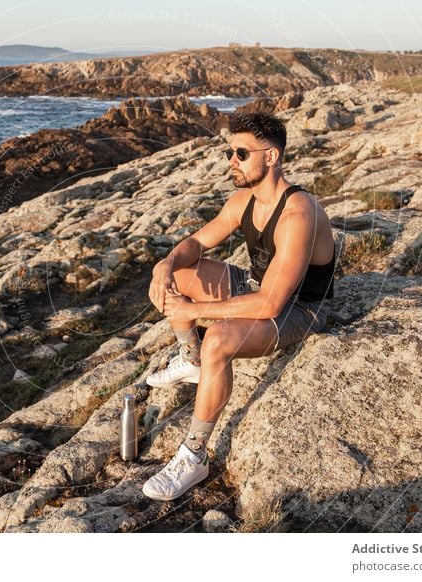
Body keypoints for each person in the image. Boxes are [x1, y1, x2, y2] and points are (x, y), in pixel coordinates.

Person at [141, 112, 336, 501]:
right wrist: (164, 266)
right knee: (178, 275)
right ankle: (192, 360)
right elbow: (196, 244)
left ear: (272, 157)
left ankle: (194, 456)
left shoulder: (299, 213)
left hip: (300, 308)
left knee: (218, 338)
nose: (232, 160)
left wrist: (193, 313)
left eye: (241, 153)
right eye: (230, 151)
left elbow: (271, 302)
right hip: (259, 286)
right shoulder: (243, 199)